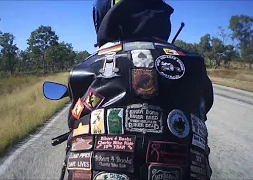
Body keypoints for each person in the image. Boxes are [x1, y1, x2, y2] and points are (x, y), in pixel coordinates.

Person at [65, 0, 214, 179]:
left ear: (104, 15)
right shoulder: (194, 63)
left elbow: (74, 118)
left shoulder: (87, 67)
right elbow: (204, 108)